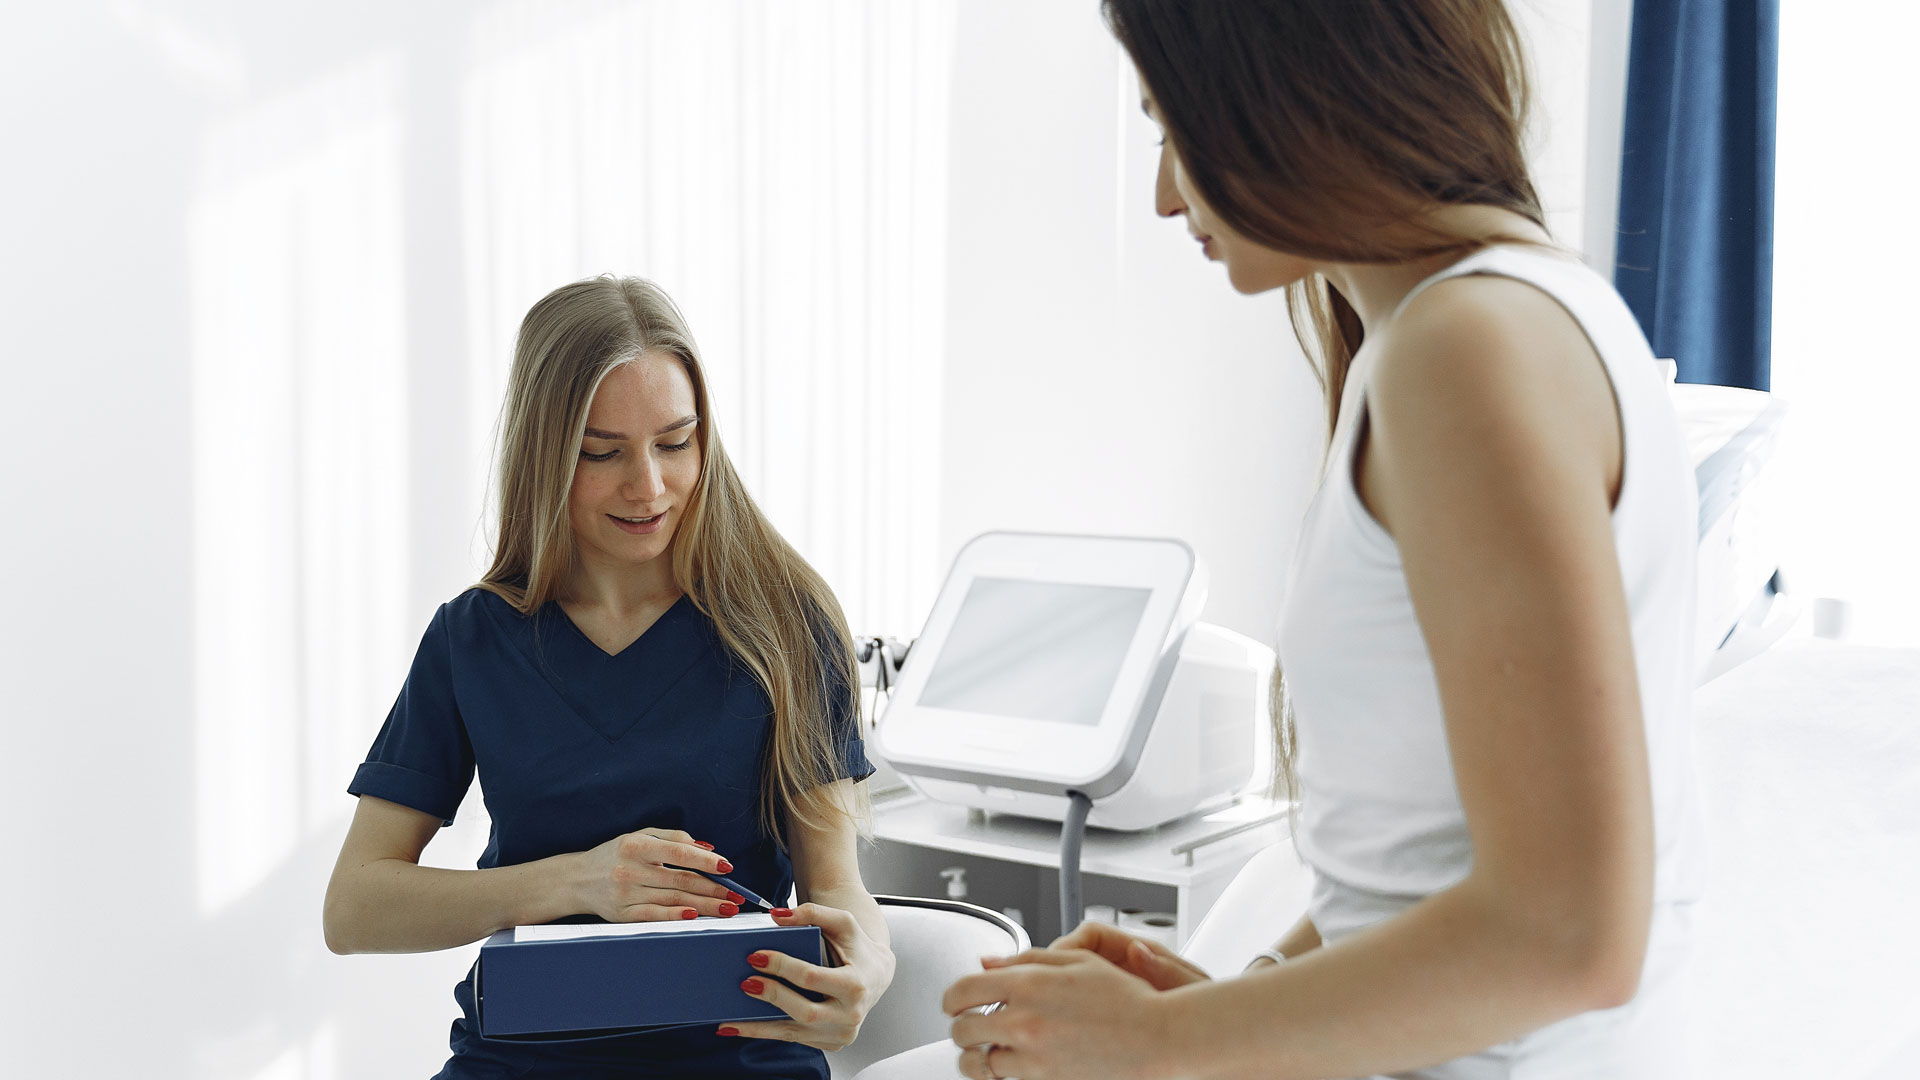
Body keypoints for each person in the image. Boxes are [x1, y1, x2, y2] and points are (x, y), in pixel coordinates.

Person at [926, 2, 1707, 1078]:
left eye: (1173, 127)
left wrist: (1162, 1045)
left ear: (1284, 86)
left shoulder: (1465, 349)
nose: (1163, 194)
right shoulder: (1493, 322)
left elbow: (1571, 935)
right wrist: (1244, 1001)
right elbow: (1420, 867)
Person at [322, 276, 895, 1079]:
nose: (649, 486)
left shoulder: (786, 624)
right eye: (602, 453)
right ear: (545, 452)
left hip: (737, 1063)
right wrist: (575, 880)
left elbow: (841, 889)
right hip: (519, 1062)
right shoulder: (474, 639)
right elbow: (354, 908)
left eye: (675, 442)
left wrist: (869, 967)